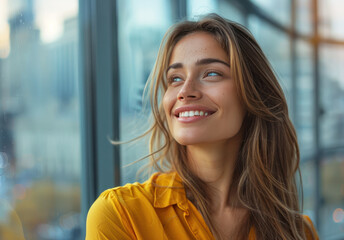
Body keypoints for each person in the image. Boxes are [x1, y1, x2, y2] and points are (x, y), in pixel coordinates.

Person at [86, 13, 319, 240]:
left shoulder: (298, 232)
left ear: (253, 95)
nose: (185, 91)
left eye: (211, 74)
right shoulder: (121, 215)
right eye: (175, 78)